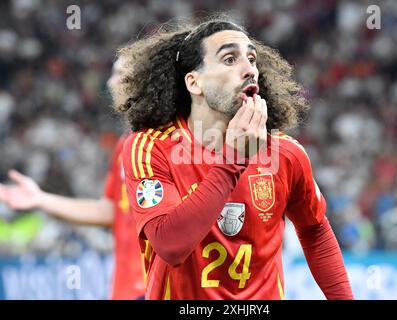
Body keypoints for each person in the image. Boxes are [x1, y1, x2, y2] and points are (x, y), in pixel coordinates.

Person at [116, 17, 354, 300]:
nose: (249, 70)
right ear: (194, 83)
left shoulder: (286, 154)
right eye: (230, 59)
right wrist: (233, 160)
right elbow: (170, 245)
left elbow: (315, 230)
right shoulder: (150, 147)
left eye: (251, 59)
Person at [0, 57, 145, 300]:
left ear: (149, 81)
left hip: (159, 289)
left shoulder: (176, 143)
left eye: (121, 74)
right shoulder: (125, 145)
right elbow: (112, 212)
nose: (110, 82)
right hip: (126, 290)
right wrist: (41, 200)